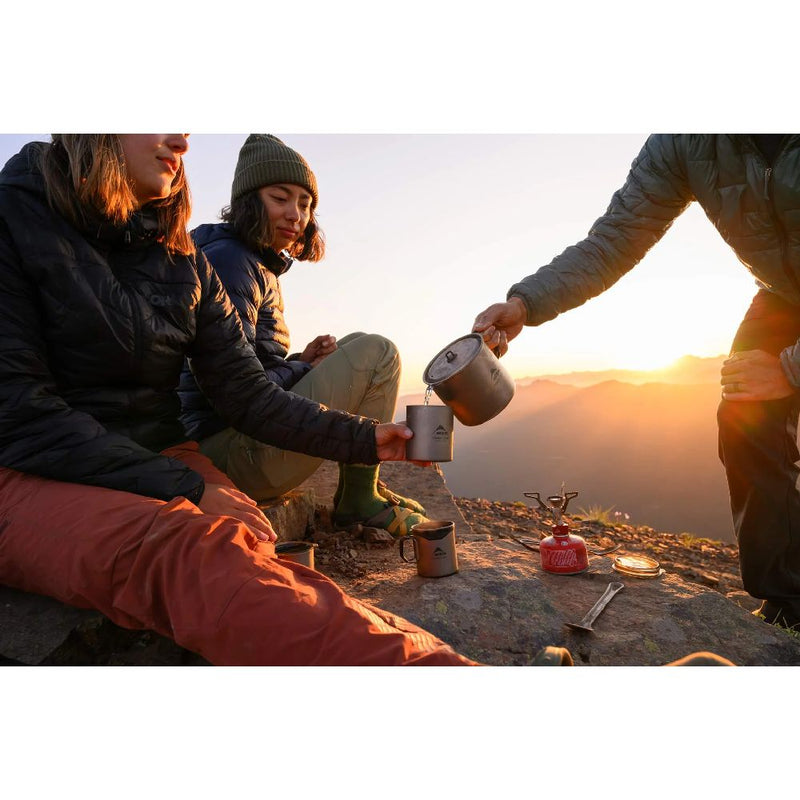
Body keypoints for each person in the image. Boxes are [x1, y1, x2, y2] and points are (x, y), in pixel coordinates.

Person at [0, 133, 474, 666]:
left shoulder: (180, 257)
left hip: (158, 452)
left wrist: (363, 438)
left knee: (247, 548)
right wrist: (190, 487)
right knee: (192, 554)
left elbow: (247, 392)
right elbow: (17, 413)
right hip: (28, 468)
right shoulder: (15, 218)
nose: (180, 139)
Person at [473, 134, 800, 631]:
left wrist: (790, 369)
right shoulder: (685, 142)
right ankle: (789, 601)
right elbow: (614, 239)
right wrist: (526, 304)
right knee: (745, 417)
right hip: (784, 293)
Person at [179, 134, 426, 537]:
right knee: (378, 352)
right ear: (248, 201)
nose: (296, 214)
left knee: (355, 341)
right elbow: (231, 395)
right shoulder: (230, 262)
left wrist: (299, 363)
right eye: (280, 198)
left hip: (231, 443)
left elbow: (240, 368)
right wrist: (300, 370)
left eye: (305, 204)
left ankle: (362, 489)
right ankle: (359, 501)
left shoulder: (248, 261)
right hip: (227, 458)